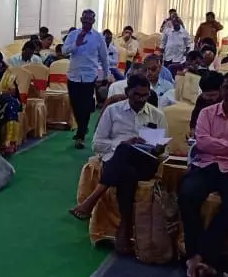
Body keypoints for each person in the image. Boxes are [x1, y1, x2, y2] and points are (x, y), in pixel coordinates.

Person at [68, 75, 167, 253]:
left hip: (145, 162)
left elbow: (165, 151)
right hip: (118, 161)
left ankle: (93, 198)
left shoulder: (157, 115)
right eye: (137, 95)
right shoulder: (112, 111)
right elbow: (97, 144)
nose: (141, 99)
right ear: (127, 92)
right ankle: (124, 227)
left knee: (125, 151)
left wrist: (159, 150)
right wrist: (120, 144)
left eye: (145, 95)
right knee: (126, 164)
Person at [179, 71, 228, 277]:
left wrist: (221, 145)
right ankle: (197, 255)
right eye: (226, 87)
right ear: (221, 90)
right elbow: (202, 142)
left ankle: (202, 256)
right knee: (187, 194)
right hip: (205, 165)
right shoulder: (206, 113)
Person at [63, 9, 111, 150]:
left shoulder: (98, 37)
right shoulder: (73, 35)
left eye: (90, 19)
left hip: (89, 77)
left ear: (93, 21)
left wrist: (106, 75)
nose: (87, 22)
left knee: (84, 106)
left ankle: (81, 134)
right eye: (85, 19)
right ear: (81, 20)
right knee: (75, 105)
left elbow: (104, 58)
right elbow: (64, 51)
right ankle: (82, 127)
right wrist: (76, 44)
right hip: (73, 76)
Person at [0, 51, 23, 156]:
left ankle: (10, 142)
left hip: (5, 100)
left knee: (10, 105)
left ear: (0, 64)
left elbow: (13, 92)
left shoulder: (7, 75)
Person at [189, 72, 224, 136]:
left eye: (212, 95)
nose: (207, 98)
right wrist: (193, 129)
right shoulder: (201, 99)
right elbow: (195, 116)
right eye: (205, 95)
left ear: (222, 90)